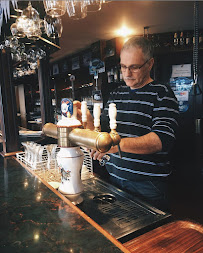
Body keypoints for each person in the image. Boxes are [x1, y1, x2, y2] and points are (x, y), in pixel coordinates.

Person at [74, 36, 179, 211]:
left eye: (134, 67)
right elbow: (103, 132)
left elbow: (162, 140)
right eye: (123, 67)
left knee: (150, 235)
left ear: (150, 64)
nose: (127, 73)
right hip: (114, 178)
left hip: (148, 185)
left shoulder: (163, 93)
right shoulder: (117, 94)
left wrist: (116, 145)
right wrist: (89, 121)